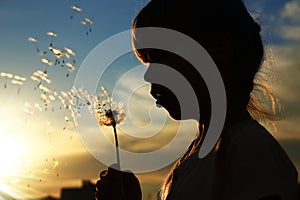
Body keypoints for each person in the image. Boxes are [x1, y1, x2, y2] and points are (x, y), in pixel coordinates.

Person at [95, 0, 298, 199]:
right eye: (148, 61)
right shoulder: (198, 157)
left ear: (219, 49)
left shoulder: (252, 151)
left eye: (162, 56)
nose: (149, 75)